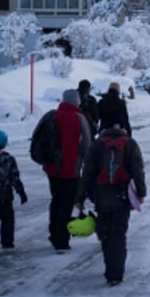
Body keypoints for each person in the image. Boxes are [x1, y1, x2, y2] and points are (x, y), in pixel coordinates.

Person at [76, 123, 146, 286]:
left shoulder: (98, 145)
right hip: (122, 197)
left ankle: (109, 269)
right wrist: (141, 192)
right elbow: (138, 169)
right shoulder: (130, 144)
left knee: (105, 234)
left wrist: (80, 197)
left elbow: (88, 173)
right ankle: (116, 274)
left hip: (101, 196)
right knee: (119, 235)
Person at [34, 89, 92, 252]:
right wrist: (90, 168)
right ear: (77, 102)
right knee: (66, 203)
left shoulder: (52, 116)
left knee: (56, 199)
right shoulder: (80, 118)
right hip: (71, 169)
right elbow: (86, 147)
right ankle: (61, 239)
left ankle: (54, 234)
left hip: (52, 168)